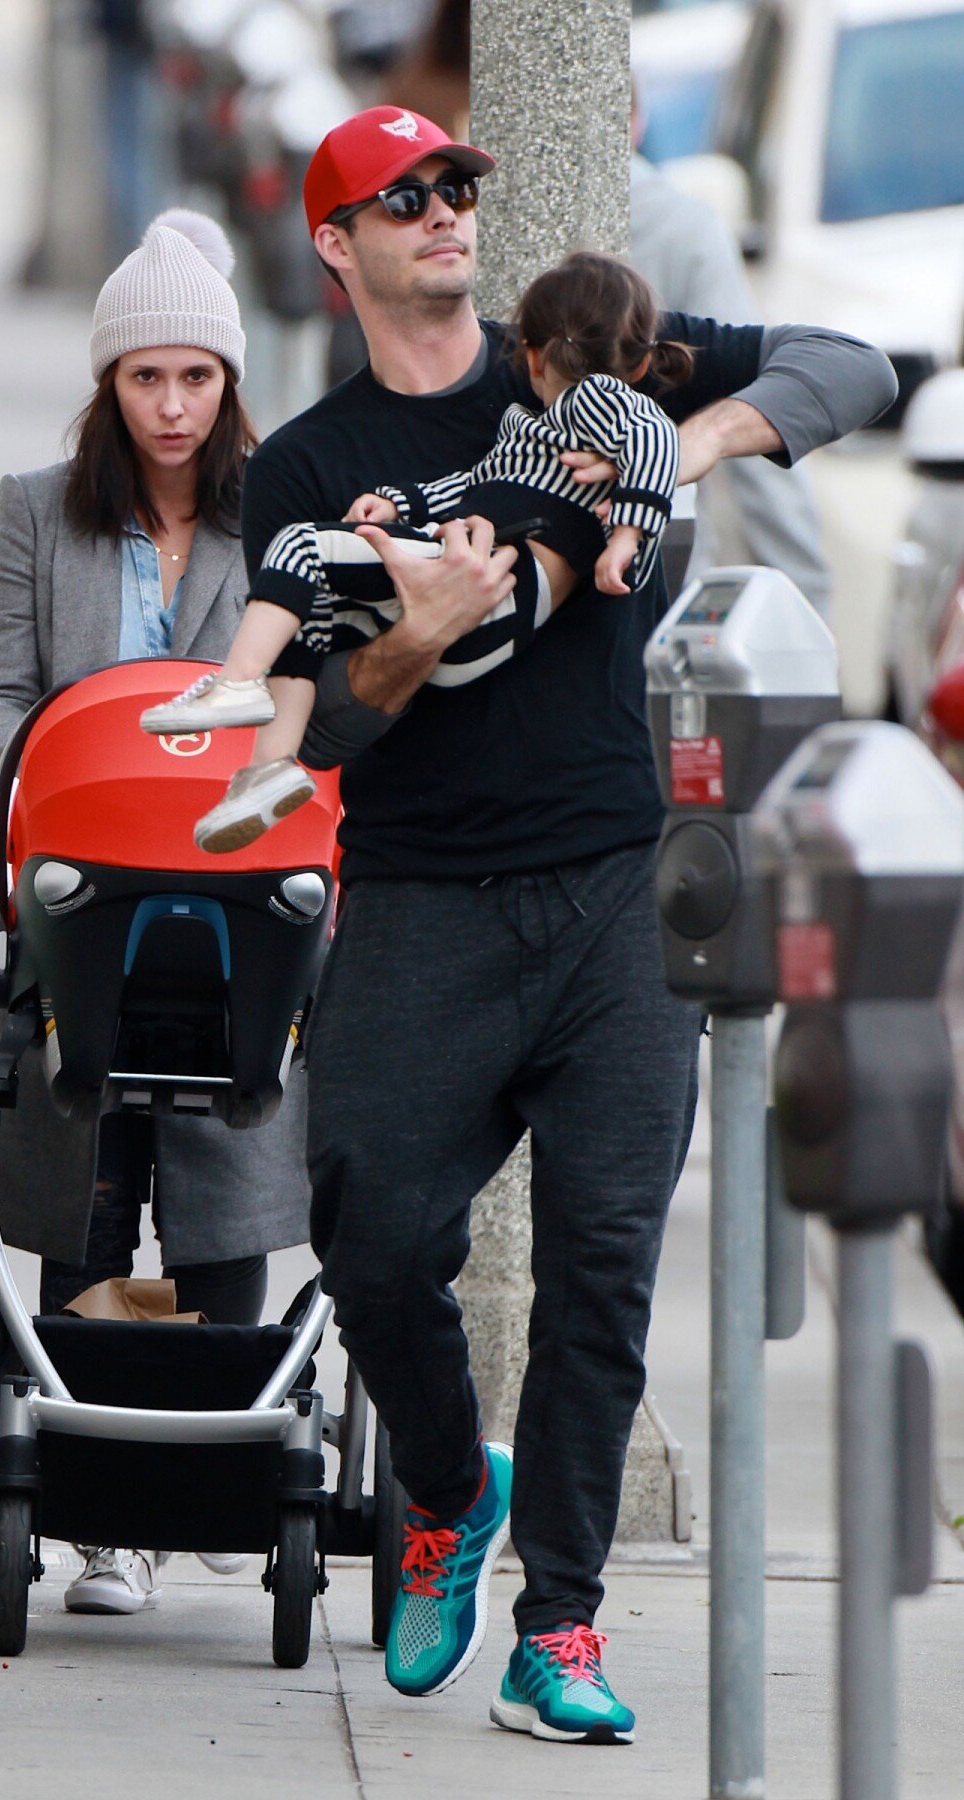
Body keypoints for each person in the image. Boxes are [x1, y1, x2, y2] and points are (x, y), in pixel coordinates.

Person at [241, 105, 897, 1742]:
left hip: (616, 888)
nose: (450, 210)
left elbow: (856, 364)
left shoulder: (578, 358)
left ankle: (563, 1629)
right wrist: (419, 631)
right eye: (407, 196)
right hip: (423, 904)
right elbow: (318, 731)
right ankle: (452, 1488)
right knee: (374, 1239)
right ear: (339, 243)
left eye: (462, 182)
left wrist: (685, 441)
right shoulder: (309, 467)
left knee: (605, 1267)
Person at [0, 209, 312, 1617]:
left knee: (226, 1156)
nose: (170, 405)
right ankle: (96, 1512)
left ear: (227, 383)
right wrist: (75, 766)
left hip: (229, 876)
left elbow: (308, 698)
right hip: (86, 868)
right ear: (109, 385)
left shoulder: (283, 514)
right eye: (144, 379)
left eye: (194, 378)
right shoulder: (40, 507)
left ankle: (221, 1461)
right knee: (80, 1148)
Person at [144, 249, 688, 853]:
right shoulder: (528, 425)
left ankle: (238, 680)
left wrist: (627, 537)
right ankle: (268, 768)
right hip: (472, 615)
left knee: (300, 548)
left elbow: (655, 438)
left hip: (498, 597)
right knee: (315, 606)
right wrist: (398, 502)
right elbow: (474, 482)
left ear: (532, 355)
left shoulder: (593, 400)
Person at [629, 105, 834, 618]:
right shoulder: (678, 224)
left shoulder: (464, 212)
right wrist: (809, 609)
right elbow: (761, 404)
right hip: (658, 578)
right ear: (637, 118)